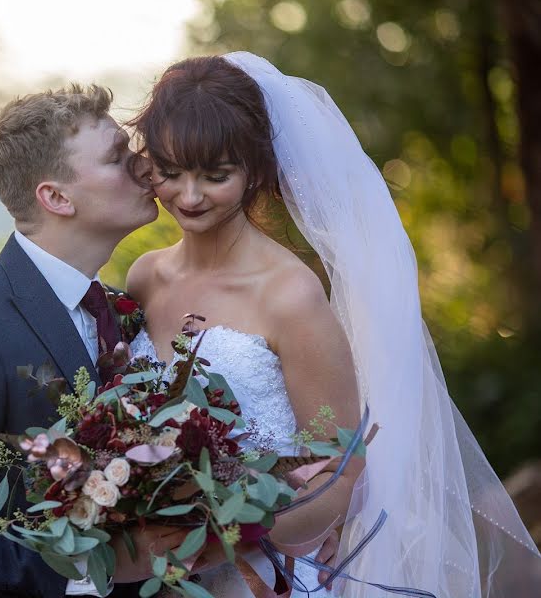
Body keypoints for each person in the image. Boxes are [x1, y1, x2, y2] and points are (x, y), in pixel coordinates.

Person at [0, 81, 341, 598]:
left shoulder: (122, 305)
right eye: (117, 158)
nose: (145, 168)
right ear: (57, 197)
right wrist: (89, 571)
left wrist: (317, 519)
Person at [125, 52, 541, 597]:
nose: (189, 195)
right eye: (172, 172)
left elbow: (336, 469)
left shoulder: (288, 294)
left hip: (254, 575)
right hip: (143, 572)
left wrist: (225, 531)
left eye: (215, 175)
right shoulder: (144, 277)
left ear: (256, 169)